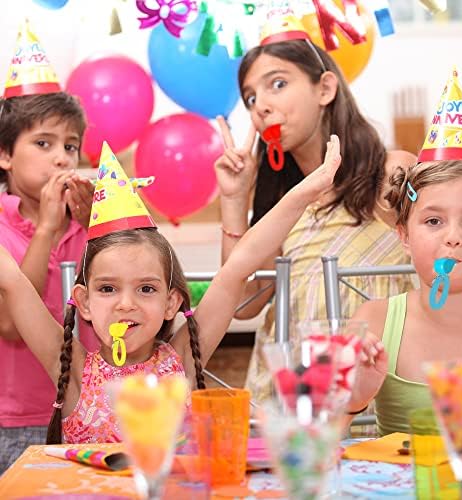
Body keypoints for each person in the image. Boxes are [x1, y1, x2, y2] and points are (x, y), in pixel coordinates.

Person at [0, 133, 342, 445]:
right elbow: (13, 281)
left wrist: (305, 193)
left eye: (146, 289)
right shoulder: (74, 372)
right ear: (84, 302)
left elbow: (240, 265)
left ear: (171, 302)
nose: (126, 304)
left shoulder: (181, 361)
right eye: (108, 289)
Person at [215, 38, 415, 403]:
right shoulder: (284, 205)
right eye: (250, 98)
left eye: (277, 84)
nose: (261, 107)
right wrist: (234, 198)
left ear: (324, 89)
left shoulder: (391, 174)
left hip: (371, 393)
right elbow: (243, 304)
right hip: (289, 400)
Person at [347, 159, 462, 435]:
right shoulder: (375, 321)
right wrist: (351, 402)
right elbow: (311, 449)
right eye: (433, 221)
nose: (453, 237)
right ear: (405, 236)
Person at [0, 91, 97, 472]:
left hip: (88, 412)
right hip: (17, 420)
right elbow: (11, 325)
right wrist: (45, 230)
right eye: (44, 143)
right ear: (5, 155)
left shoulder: (88, 224)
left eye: (71, 146)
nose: (62, 158)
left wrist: (98, 228)